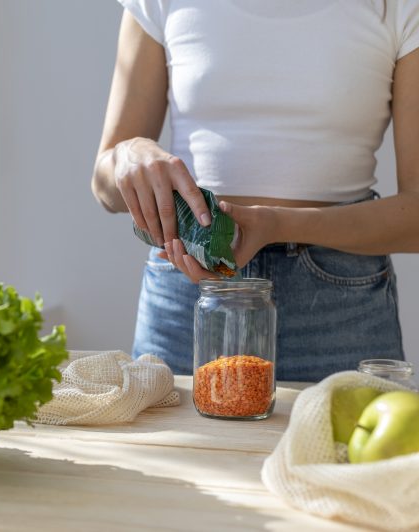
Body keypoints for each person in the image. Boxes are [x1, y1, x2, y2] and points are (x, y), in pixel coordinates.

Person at [91, 0, 419, 382]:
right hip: (189, 292)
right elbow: (104, 185)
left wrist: (278, 223)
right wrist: (129, 156)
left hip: (340, 307)